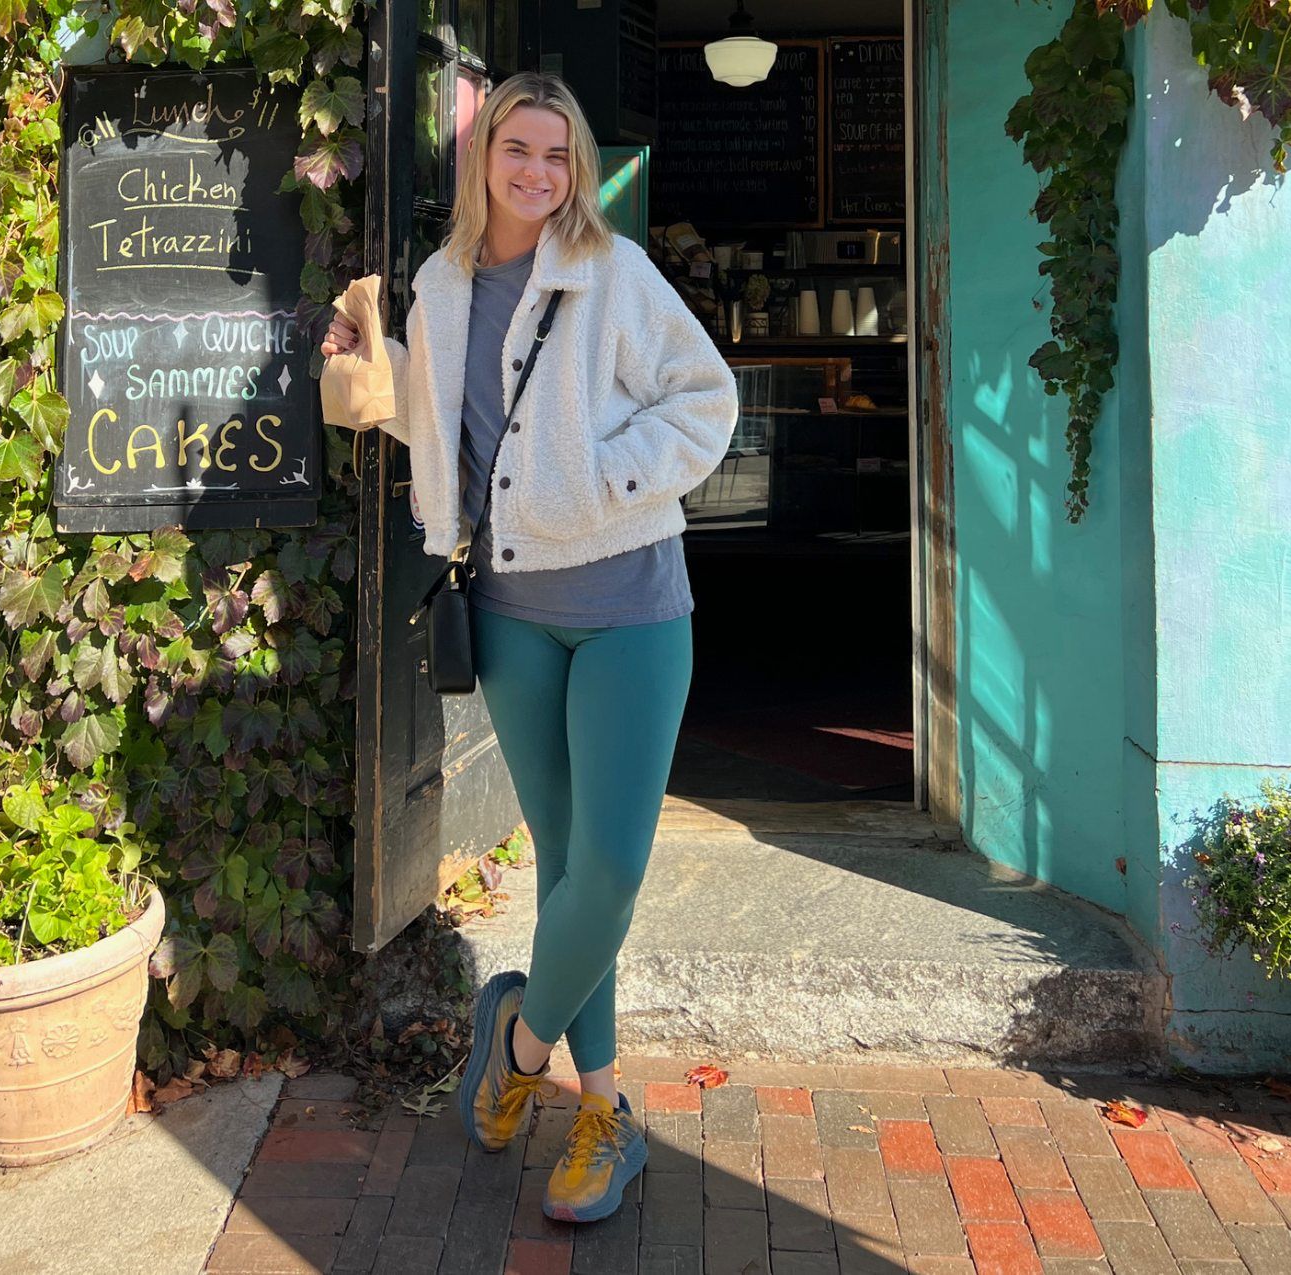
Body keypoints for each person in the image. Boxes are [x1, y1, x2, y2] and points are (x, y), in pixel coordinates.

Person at [320, 71, 737, 1224]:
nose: (540, 175)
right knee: (561, 873)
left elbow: (707, 401)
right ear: (486, 156)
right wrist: (372, 366)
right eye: (521, 151)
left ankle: (514, 1043)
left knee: (609, 868)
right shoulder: (443, 288)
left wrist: (601, 482)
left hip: (634, 609)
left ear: (580, 168)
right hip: (507, 612)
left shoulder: (611, 272)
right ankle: (601, 1112)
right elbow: (449, 430)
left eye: (561, 157)